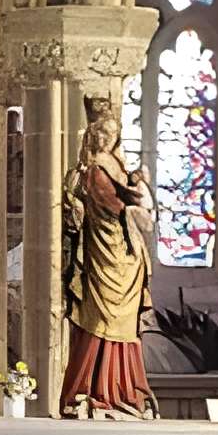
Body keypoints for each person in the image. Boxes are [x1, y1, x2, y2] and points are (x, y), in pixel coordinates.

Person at [59, 93, 158, 418]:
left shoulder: (115, 165)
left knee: (125, 326)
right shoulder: (95, 171)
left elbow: (134, 201)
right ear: (92, 133)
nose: (106, 137)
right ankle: (94, 391)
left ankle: (124, 392)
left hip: (125, 255)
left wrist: (138, 188)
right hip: (103, 252)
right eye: (101, 131)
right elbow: (113, 204)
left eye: (112, 132)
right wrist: (136, 198)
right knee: (99, 318)